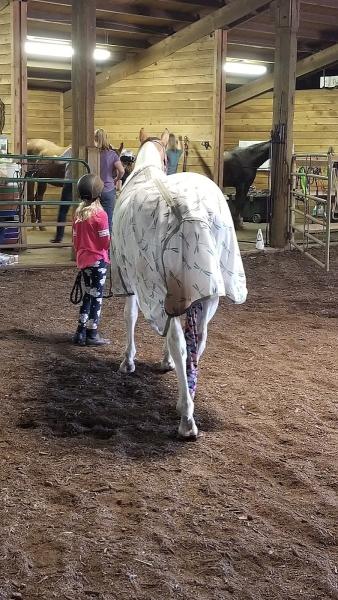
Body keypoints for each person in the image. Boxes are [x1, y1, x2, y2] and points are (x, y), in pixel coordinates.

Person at [72, 173, 111, 347]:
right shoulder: (100, 215)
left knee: (88, 295)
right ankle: (92, 333)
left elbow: (75, 239)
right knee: (97, 297)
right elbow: (104, 242)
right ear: (98, 193)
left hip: (83, 259)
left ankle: (80, 332)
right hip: (97, 260)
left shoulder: (78, 213)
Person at [94, 128, 124, 233]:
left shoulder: (92, 154)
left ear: (95, 139)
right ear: (106, 139)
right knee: (107, 221)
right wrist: (116, 179)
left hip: (94, 191)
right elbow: (122, 170)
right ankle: (107, 249)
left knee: (94, 221)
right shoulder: (112, 154)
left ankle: (95, 247)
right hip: (108, 190)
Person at [51, 145, 73, 243]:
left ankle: (59, 237)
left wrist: (54, 157)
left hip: (70, 182)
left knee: (63, 210)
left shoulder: (71, 149)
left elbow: (59, 161)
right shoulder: (93, 148)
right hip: (84, 182)